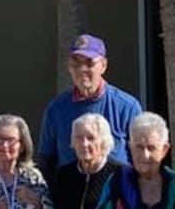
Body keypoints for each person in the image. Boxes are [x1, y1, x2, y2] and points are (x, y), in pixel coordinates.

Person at [36, 33, 142, 184]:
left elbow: (141, 158)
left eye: (89, 63)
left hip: (116, 196)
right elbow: (46, 161)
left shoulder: (127, 106)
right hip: (70, 195)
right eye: (76, 64)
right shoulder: (56, 109)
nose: (82, 69)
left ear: (104, 65)